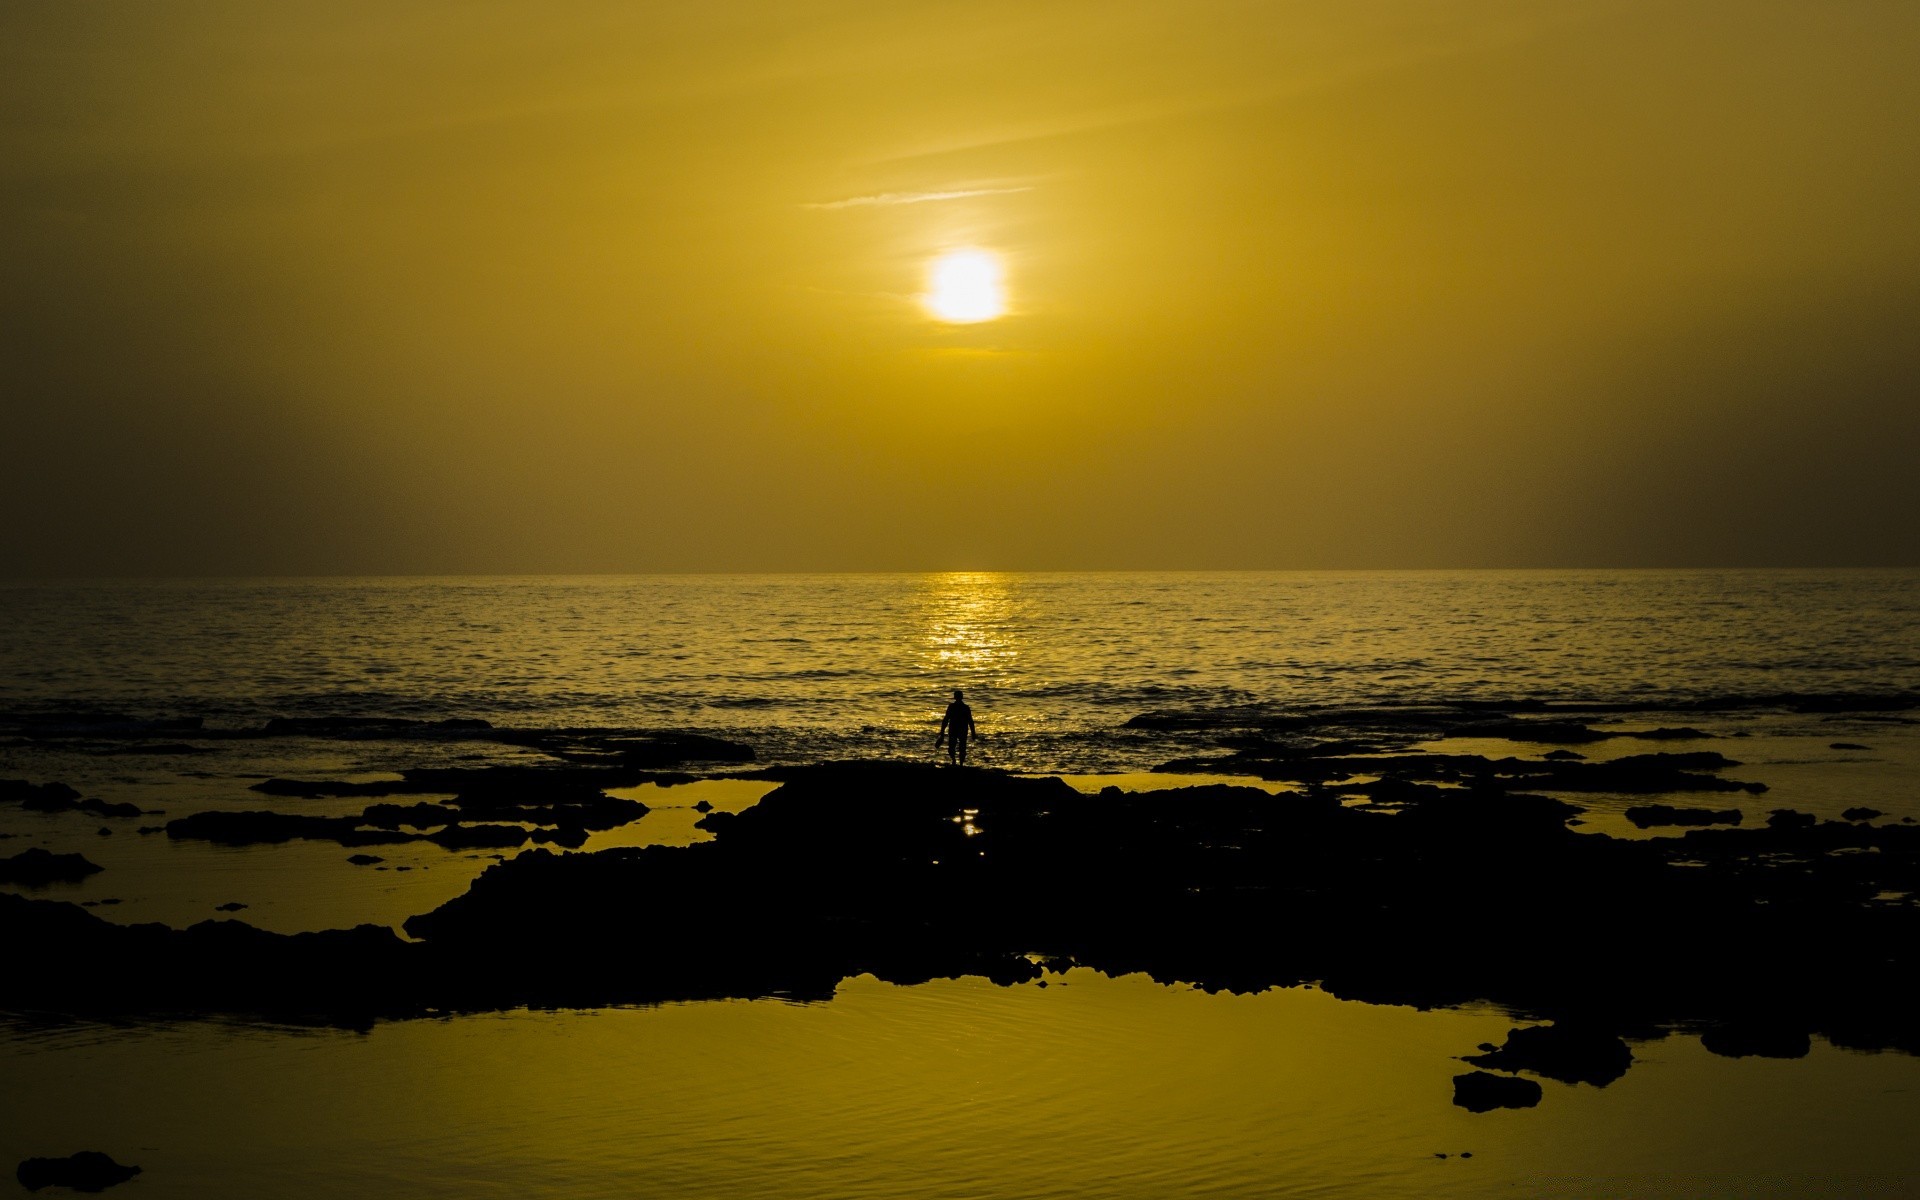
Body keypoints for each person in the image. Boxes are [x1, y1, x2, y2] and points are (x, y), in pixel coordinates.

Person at [935, 688, 980, 765]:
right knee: (961, 748)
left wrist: (942, 731)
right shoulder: (960, 707)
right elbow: (970, 721)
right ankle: (959, 763)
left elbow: (946, 719)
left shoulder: (961, 707)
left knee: (953, 747)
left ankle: (955, 761)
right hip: (960, 729)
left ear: (954, 697)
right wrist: (973, 732)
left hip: (956, 729)